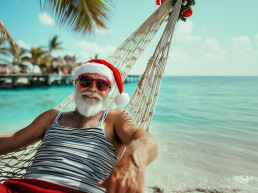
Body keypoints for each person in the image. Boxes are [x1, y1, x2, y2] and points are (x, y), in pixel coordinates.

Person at [0, 59, 158, 193]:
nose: (92, 88)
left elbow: (144, 140)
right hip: (20, 188)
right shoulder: (52, 116)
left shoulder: (114, 118)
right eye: (86, 81)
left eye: (101, 84)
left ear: (109, 91)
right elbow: (13, 140)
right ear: (76, 83)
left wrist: (134, 159)